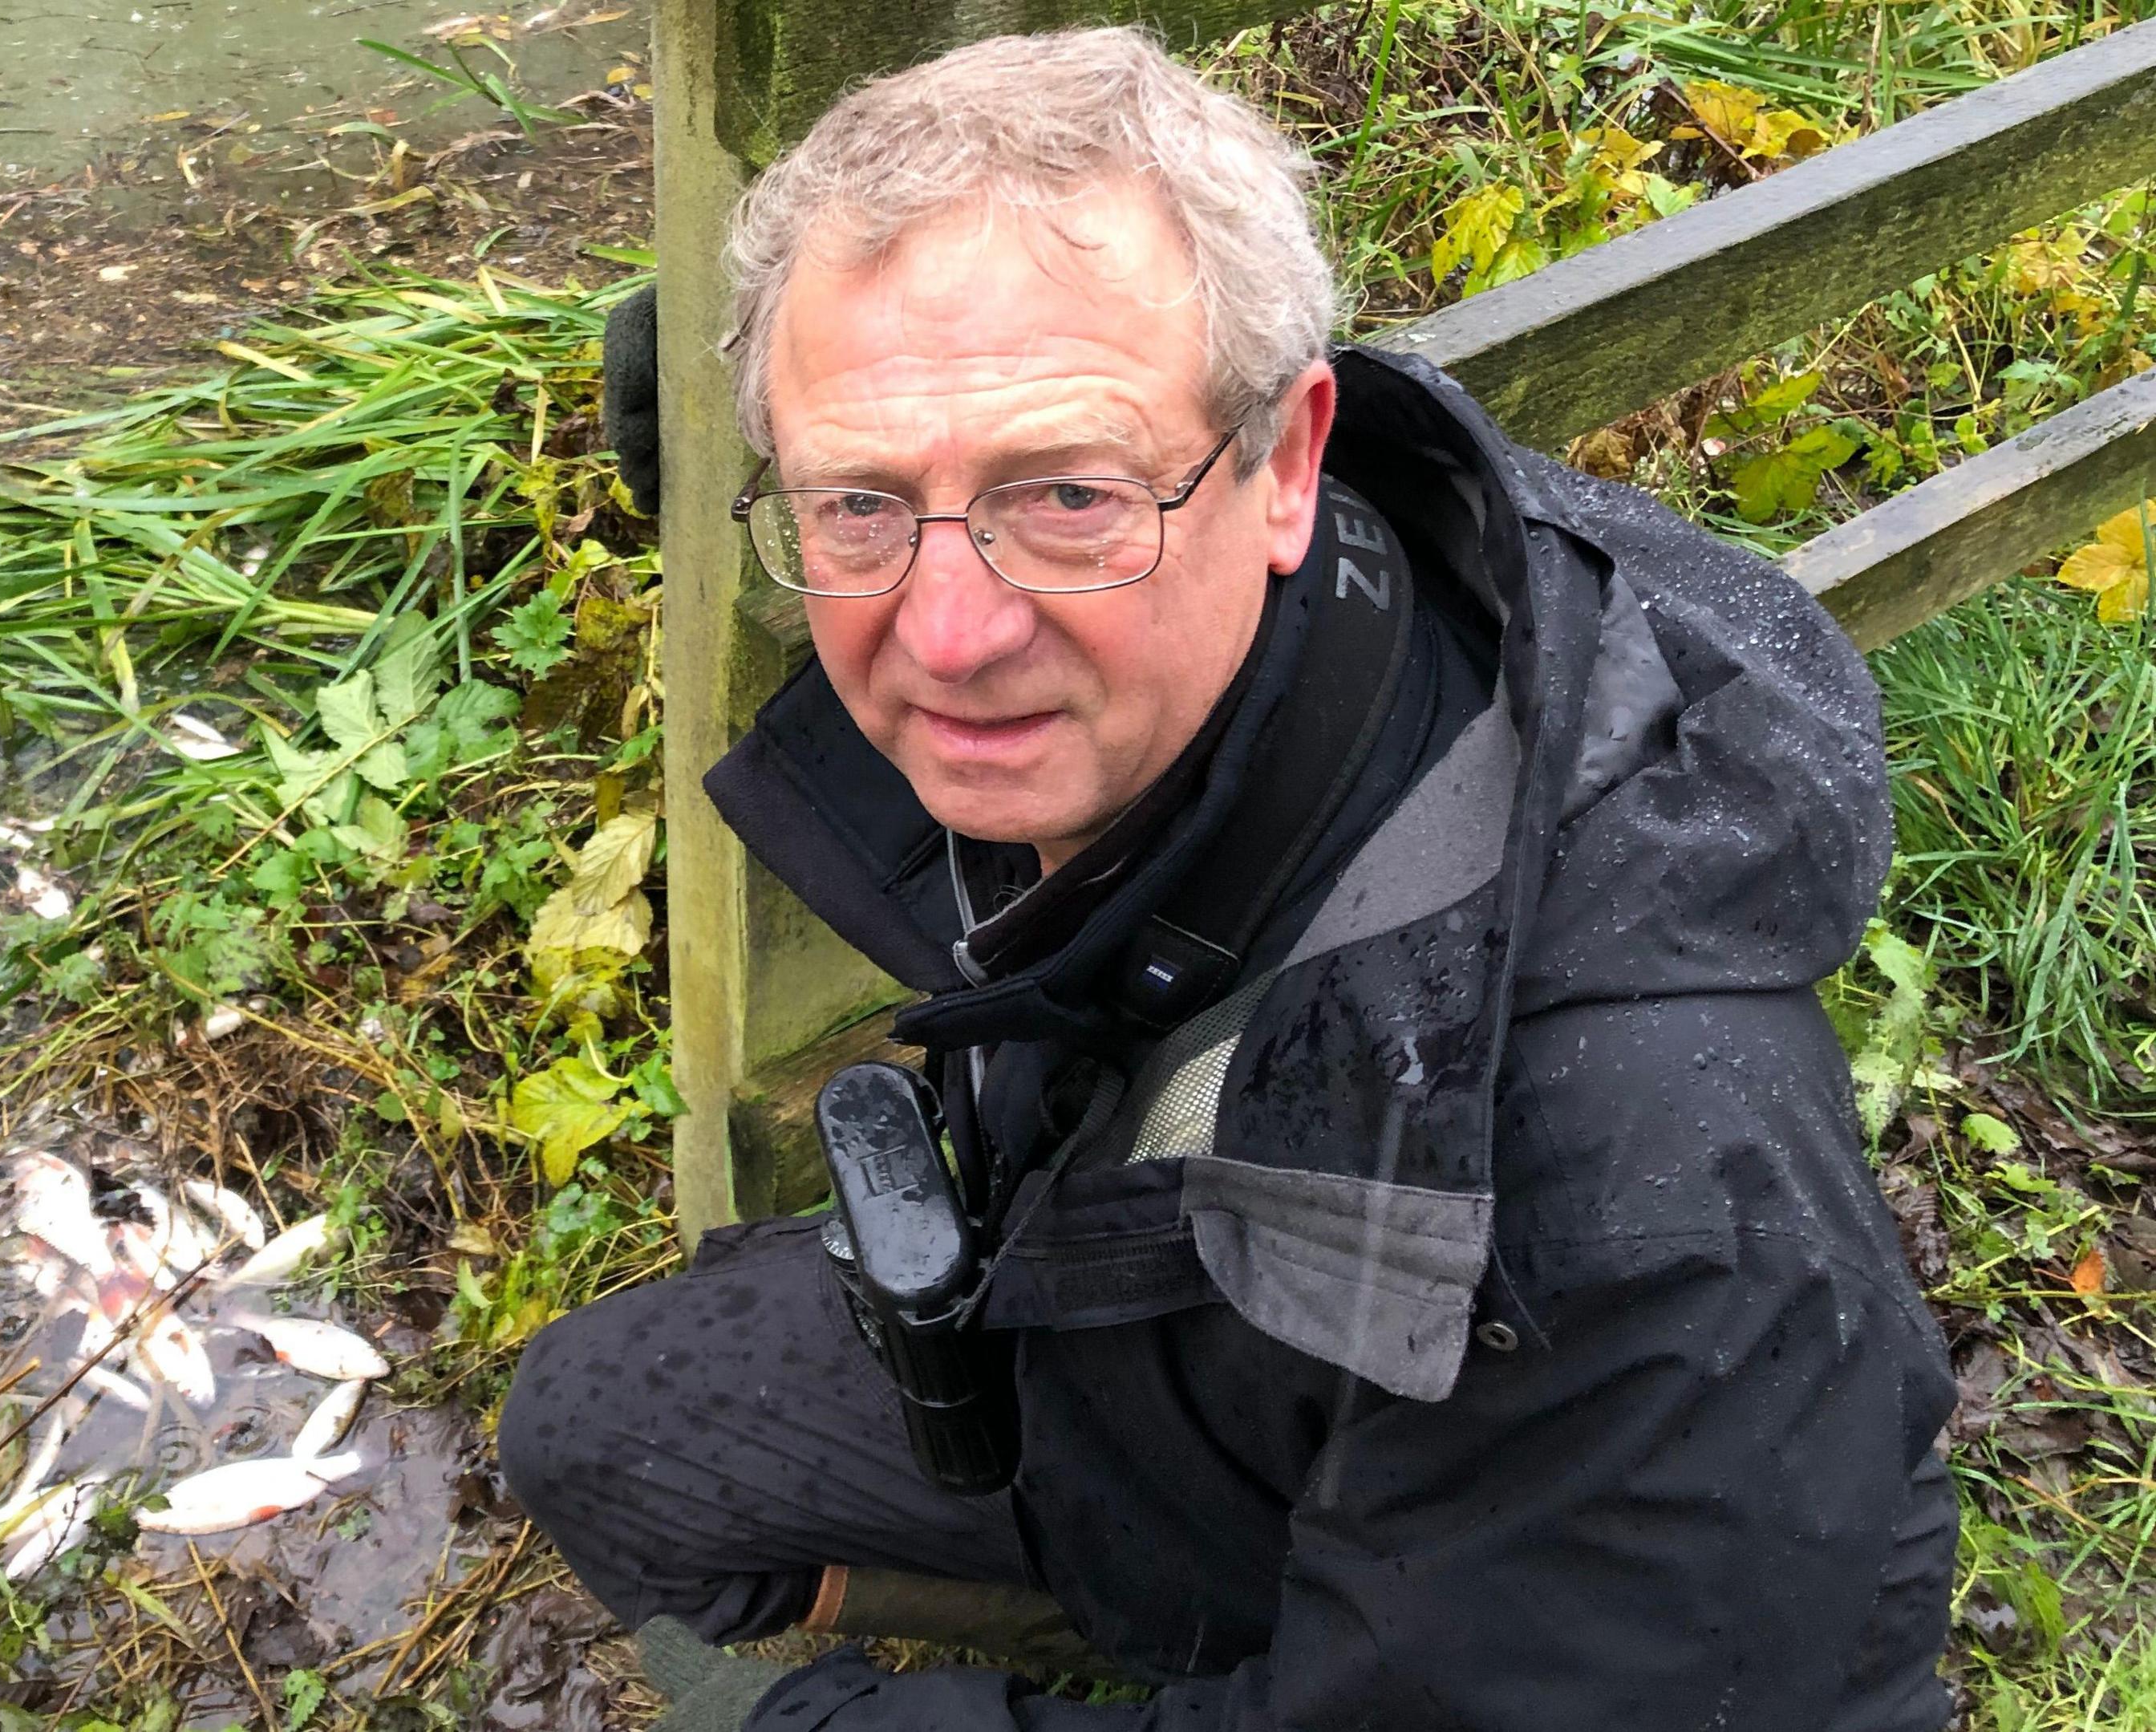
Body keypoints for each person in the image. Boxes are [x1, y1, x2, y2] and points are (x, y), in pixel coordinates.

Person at [500, 26, 1957, 1732]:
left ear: (1283, 461)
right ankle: (1140, 1616)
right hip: (1158, 1338)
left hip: (1536, 1551)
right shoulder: (1294, 616)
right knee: (591, 1434)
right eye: (861, 504)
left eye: (1066, 495)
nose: (948, 637)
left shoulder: (1640, 1202)